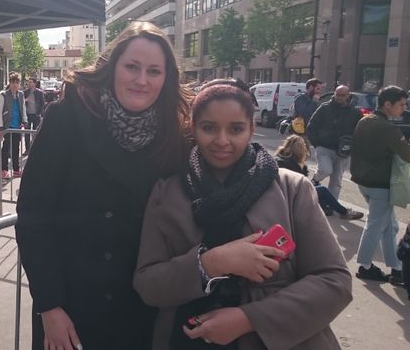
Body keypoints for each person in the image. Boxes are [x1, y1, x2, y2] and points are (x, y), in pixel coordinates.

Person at [134, 80, 352, 349]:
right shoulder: (167, 193)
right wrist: (209, 264)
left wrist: (248, 319)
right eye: (209, 128)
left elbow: (334, 281)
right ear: (193, 128)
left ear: (251, 128)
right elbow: (148, 284)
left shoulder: (292, 189)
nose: (222, 141)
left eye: (235, 129)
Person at [16, 21, 192, 350]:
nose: (142, 80)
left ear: (166, 78)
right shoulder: (68, 117)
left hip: (141, 310)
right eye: (132, 67)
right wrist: (49, 305)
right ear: (112, 68)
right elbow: (33, 216)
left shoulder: (175, 133)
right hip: (71, 308)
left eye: (154, 71)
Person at [351, 85, 410, 285]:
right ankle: (365, 266)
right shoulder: (388, 129)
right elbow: (406, 154)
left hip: (364, 181)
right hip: (380, 184)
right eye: (401, 105)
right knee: (376, 225)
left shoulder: (364, 120)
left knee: (389, 225)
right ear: (387, 104)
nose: (404, 108)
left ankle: (396, 267)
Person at [275, 135, 363, 219]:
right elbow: (297, 185)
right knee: (322, 190)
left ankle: (327, 208)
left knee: (320, 194)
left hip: (284, 193)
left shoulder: (281, 158)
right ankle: (344, 213)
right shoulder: (291, 164)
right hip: (290, 195)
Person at [305, 85, 361, 200]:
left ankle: (331, 204)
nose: (340, 97)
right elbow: (311, 126)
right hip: (324, 148)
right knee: (326, 170)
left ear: (348, 96)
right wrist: (316, 144)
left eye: (343, 95)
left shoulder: (355, 112)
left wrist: (352, 146)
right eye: (338, 94)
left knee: (336, 180)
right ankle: (315, 180)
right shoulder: (324, 108)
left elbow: (359, 132)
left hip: (343, 151)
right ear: (334, 94)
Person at [0, 72, 27, 179]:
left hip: (17, 126)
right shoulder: (3, 95)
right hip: (7, 126)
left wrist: (24, 121)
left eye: (17, 82)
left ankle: (16, 170)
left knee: (16, 149)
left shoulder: (21, 95)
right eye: (13, 82)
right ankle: (4, 170)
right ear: (10, 83)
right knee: (6, 149)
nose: (15, 85)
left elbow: (23, 109)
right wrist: (0, 127)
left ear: (19, 84)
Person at [292, 78, 324, 147]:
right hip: (301, 131)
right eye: (318, 89)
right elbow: (302, 113)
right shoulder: (300, 98)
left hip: (311, 131)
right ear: (310, 87)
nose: (319, 91)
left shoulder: (316, 99)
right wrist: (313, 102)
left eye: (320, 89)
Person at [23, 78, 45, 155]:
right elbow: (22, 103)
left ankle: (35, 149)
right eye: (28, 82)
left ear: (35, 83)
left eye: (30, 82)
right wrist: (25, 100)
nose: (29, 84)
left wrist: (39, 113)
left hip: (36, 115)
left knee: (36, 132)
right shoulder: (25, 92)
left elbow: (42, 104)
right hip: (27, 115)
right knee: (26, 132)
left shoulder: (39, 92)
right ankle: (27, 149)